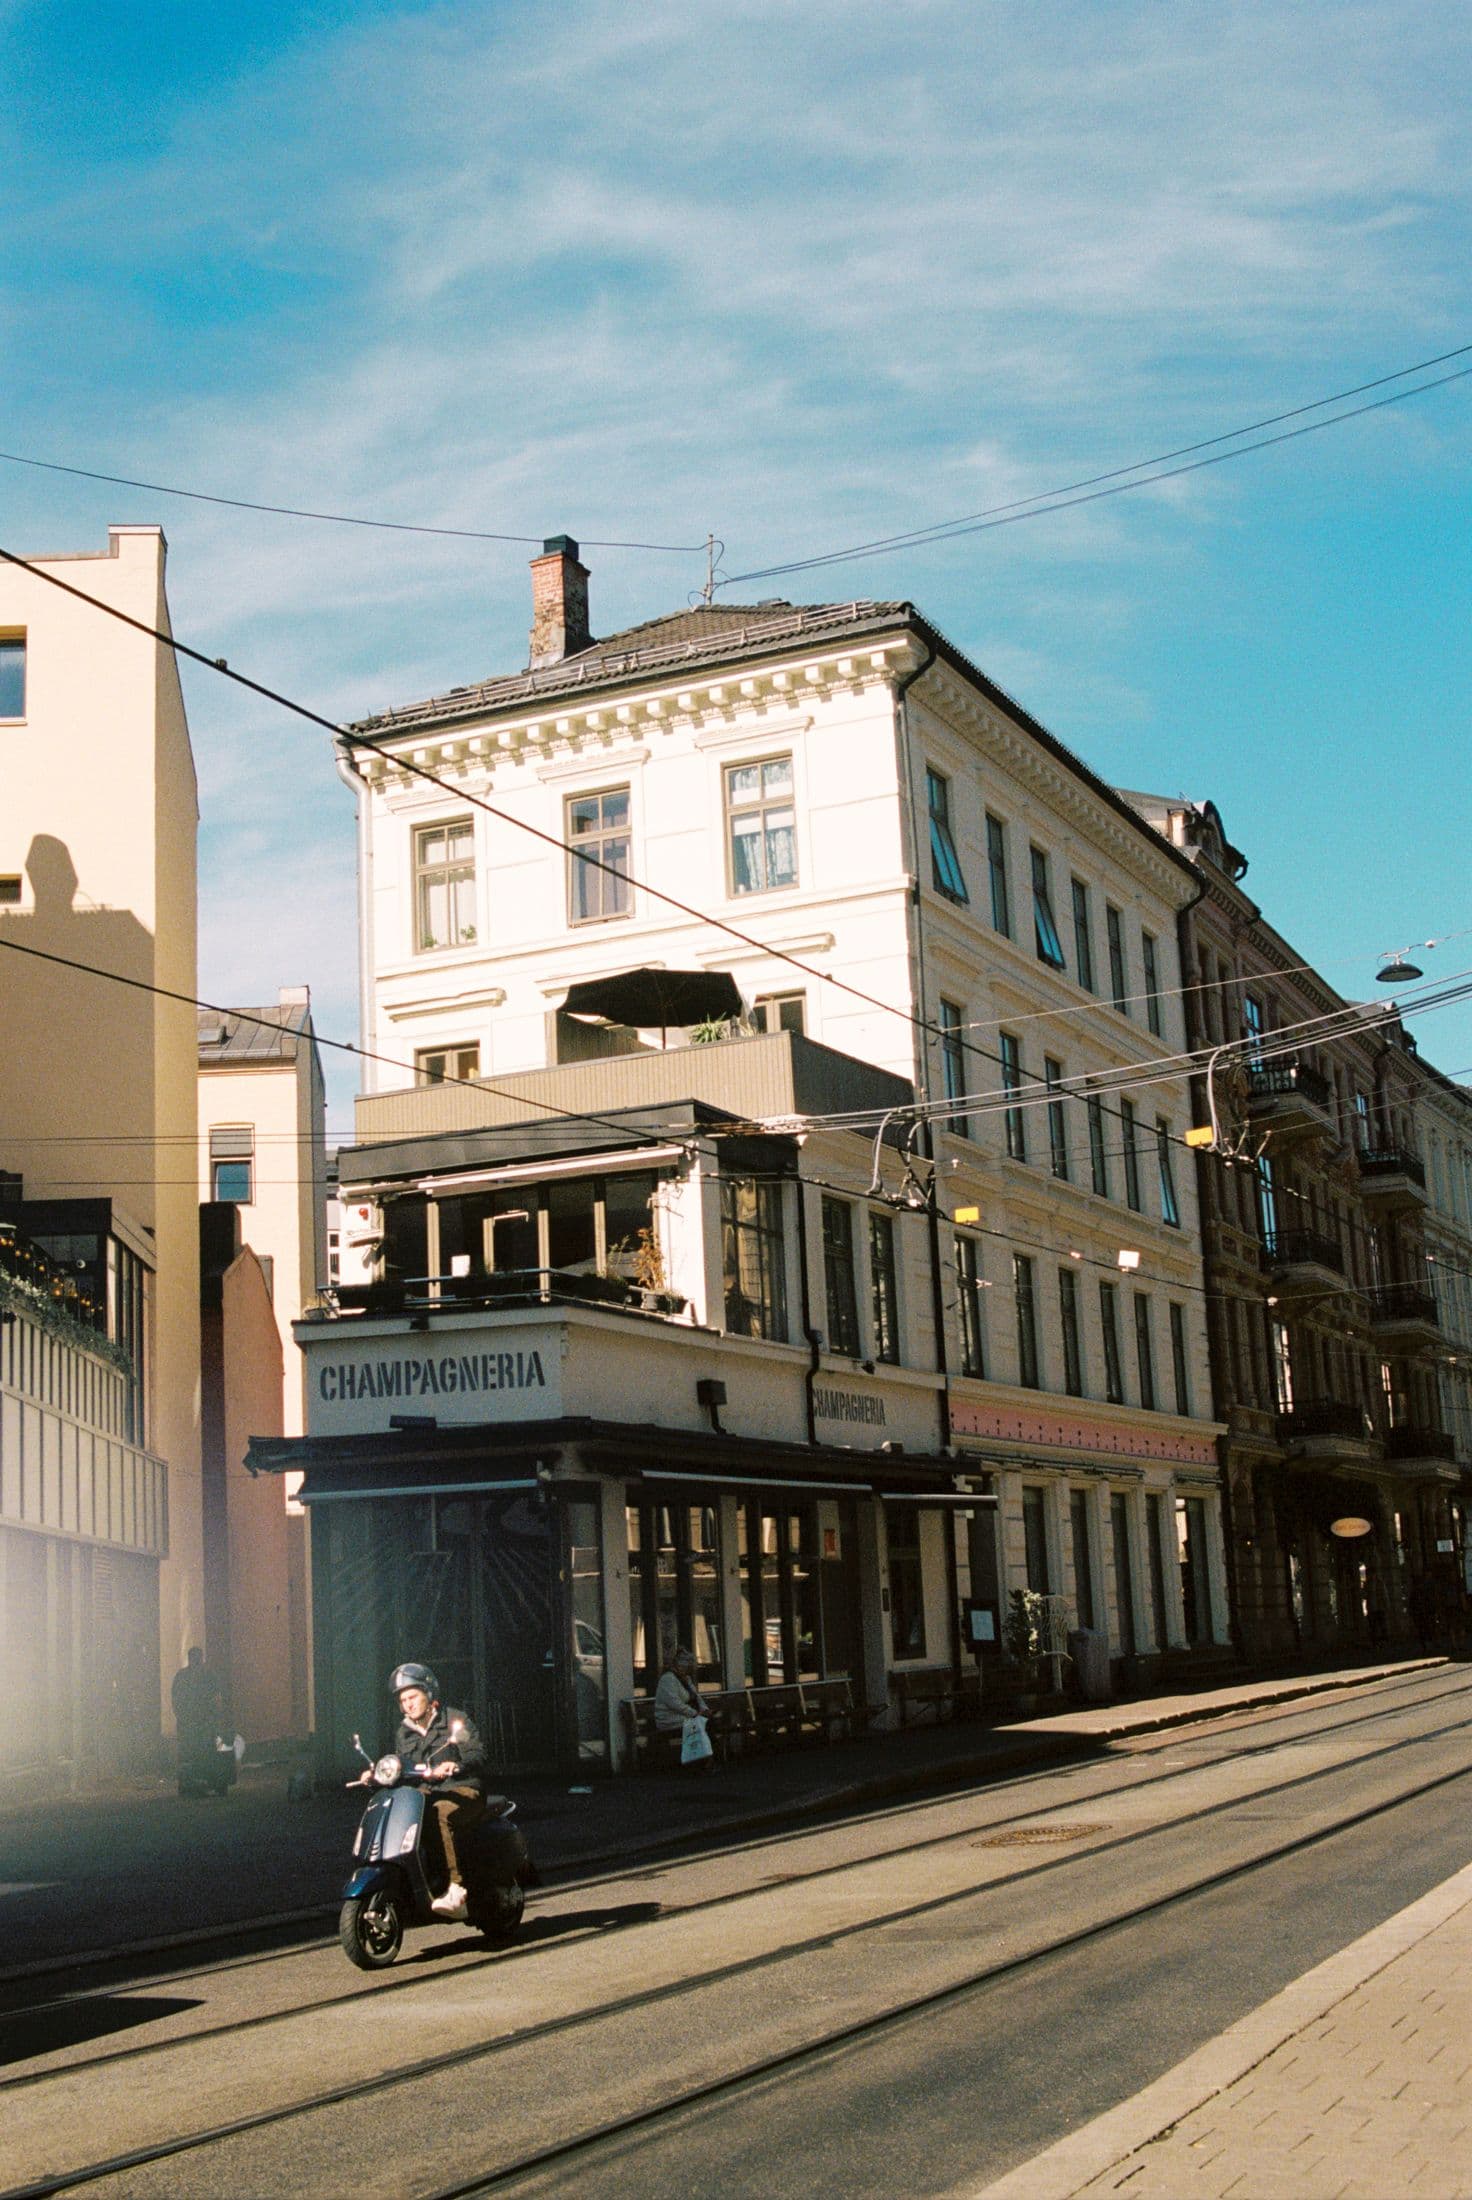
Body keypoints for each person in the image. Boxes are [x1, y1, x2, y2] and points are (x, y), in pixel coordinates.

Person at [371, 1662, 489, 1916]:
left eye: (412, 1697)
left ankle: (457, 1887)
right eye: (402, 1701)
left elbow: (478, 1754)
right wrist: (376, 1774)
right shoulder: (404, 1732)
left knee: (441, 1813)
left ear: (429, 1694)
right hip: (426, 1792)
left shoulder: (455, 1720)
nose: (408, 1705)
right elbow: (402, 1764)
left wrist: (455, 1765)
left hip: (462, 1789)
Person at [171, 1647, 225, 1797]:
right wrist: (215, 1718)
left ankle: (189, 1784)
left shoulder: (182, 1676)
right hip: (202, 1722)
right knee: (205, 1752)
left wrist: (181, 1718)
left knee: (189, 1754)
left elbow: (176, 1700)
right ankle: (204, 1782)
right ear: (201, 1658)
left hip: (190, 1723)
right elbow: (216, 1699)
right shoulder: (208, 1675)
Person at [653, 1646, 715, 1769]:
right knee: (703, 1725)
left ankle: (706, 1760)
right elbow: (674, 1703)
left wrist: (704, 1710)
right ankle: (705, 1760)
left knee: (709, 1722)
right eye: (684, 1666)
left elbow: (696, 1697)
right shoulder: (667, 1679)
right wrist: (695, 1714)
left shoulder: (686, 1679)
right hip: (669, 1719)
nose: (686, 1669)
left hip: (684, 1716)